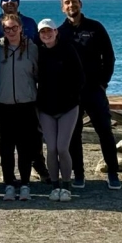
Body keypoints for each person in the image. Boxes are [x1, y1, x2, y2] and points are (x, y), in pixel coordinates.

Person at [58, 0, 122, 190]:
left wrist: (104, 83)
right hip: (72, 94)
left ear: (80, 4)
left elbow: (109, 57)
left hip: (95, 90)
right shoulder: (61, 33)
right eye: (67, 3)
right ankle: (79, 174)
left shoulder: (95, 28)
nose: (71, 5)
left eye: (74, 1)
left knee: (104, 131)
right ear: (63, 7)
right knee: (73, 135)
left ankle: (112, 172)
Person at [35, 18, 84, 202]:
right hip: (46, 109)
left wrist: (71, 97)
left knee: (63, 148)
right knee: (51, 148)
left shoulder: (68, 49)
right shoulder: (38, 53)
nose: (46, 34)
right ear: (39, 35)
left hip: (68, 107)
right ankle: (54, 186)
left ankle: (66, 186)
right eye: (42, 32)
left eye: (49, 31)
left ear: (56, 31)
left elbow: (79, 77)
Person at [0, 13, 39, 202]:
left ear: (21, 27)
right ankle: (9, 183)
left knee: (25, 146)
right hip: (3, 104)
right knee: (6, 146)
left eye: (14, 27)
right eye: (7, 28)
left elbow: (38, 74)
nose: (11, 31)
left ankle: (26, 183)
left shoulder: (32, 48)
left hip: (26, 104)